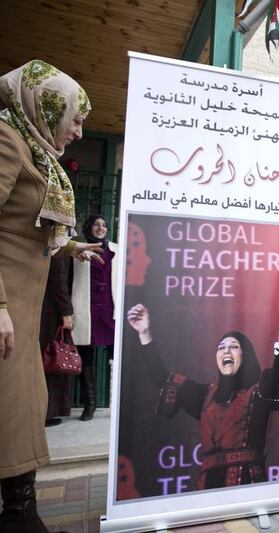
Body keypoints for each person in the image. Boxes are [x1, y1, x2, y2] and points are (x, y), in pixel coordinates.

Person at [0, 60, 103, 533]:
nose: (79, 132)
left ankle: (21, 514)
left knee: (19, 410)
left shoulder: (34, 150)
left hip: (24, 309)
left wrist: (74, 247)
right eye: (75, 119)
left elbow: (28, 228)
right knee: (11, 410)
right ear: (45, 108)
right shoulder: (6, 141)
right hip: (7, 307)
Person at [126, 303, 279, 490]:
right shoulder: (205, 396)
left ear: (245, 355)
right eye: (221, 348)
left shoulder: (258, 392)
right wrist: (144, 333)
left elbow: (276, 382)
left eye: (234, 347)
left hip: (247, 482)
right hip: (207, 487)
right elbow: (162, 378)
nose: (226, 351)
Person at [72, 214, 119, 421]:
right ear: (89, 228)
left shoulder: (117, 250)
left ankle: (116, 402)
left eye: (104, 225)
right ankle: (89, 404)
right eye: (97, 225)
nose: (101, 228)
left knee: (116, 356)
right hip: (86, 307)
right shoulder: (79, 249)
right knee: (86, 355)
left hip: (110, 308)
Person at [39, 253, 75, 427]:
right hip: (52, 313)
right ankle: (48, 412)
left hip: (44, 309)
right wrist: (66, 312)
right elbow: (59, 281)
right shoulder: (58, 249)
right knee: (53, 360)